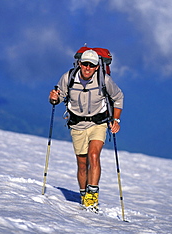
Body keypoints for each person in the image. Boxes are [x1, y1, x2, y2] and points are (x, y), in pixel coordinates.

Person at [49, 49, 124, 211]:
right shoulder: (68, 78)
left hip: (98, 123)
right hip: (77, 125)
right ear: (79, 63)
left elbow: (118, 97)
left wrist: (115, 120)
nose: (88, 68)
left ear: (97, 67)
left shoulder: (104, 80)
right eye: (85, 64)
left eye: (92, 65)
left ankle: (92, 197)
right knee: (82, 164)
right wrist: (53, 98)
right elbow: (59, 96)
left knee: (94, 155)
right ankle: (84, 195)